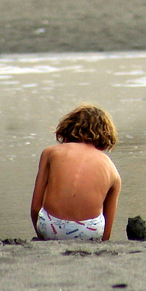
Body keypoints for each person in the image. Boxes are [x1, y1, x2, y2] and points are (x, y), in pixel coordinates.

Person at [30, 103, 122, 241]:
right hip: (90, 232)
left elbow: (35, 207)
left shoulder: (51, 153)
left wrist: (42, 236)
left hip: (51, 227)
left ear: (67, 127)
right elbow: (107, 226)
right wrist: (103, 242)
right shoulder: (112, 169)